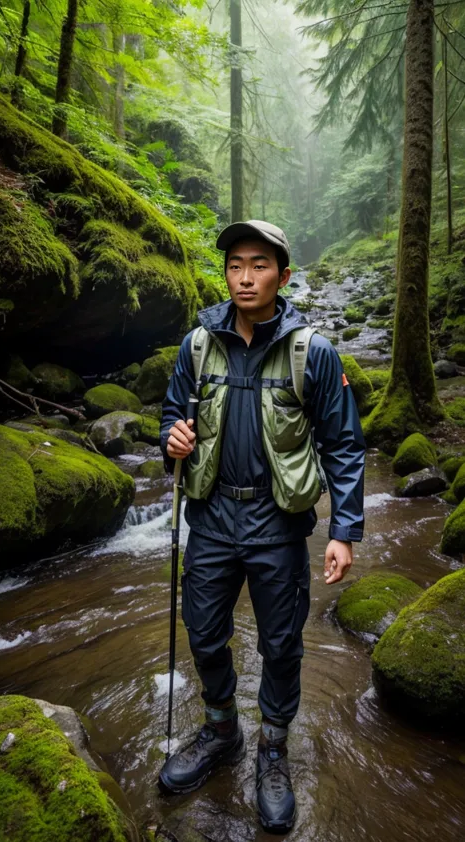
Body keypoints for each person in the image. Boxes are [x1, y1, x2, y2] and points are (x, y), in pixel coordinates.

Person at [158, 220, 365, 833]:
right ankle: (221, 729)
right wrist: (171, 436)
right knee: (202, 633)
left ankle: (272, 748)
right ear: (225, 273)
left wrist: (344, 529)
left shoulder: (314, 352)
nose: (245, 277)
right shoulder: (198, 346)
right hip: (213, 517)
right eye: (234, 265)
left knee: (280, 645)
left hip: (278, 524)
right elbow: (173, 413)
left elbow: (344, 446)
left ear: (283, 274)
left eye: (259, 265)